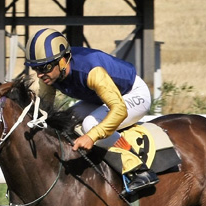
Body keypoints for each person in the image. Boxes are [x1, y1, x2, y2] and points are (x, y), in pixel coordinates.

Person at [24, 28, 158, 197]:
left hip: (132, 94)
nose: (40, 74)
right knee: (66, 120)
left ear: (63, 61)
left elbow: (119, 110)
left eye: (45, 67)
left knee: (90, 125)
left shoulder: (91, 71)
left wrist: (91, 136)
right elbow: (44, 113)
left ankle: (139, 169)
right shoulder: (51, 75)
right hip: (100, 98)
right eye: (36, 69)